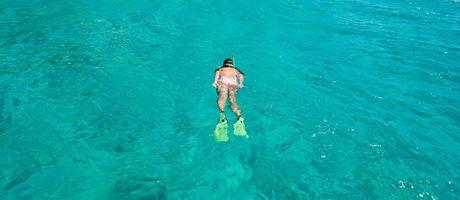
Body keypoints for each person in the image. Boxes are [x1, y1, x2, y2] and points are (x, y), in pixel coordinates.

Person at [212, 58, 248, 141]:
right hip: (233, 84)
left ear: (224, 64)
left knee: (222, 96)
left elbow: (217, 76)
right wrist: (241, 83)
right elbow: (242, 76)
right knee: (232, 99)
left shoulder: (220, 69)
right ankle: (239, 117)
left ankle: (222, 114)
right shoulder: (236, 70)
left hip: (223, 82)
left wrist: (215, 82)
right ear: (232, 64)